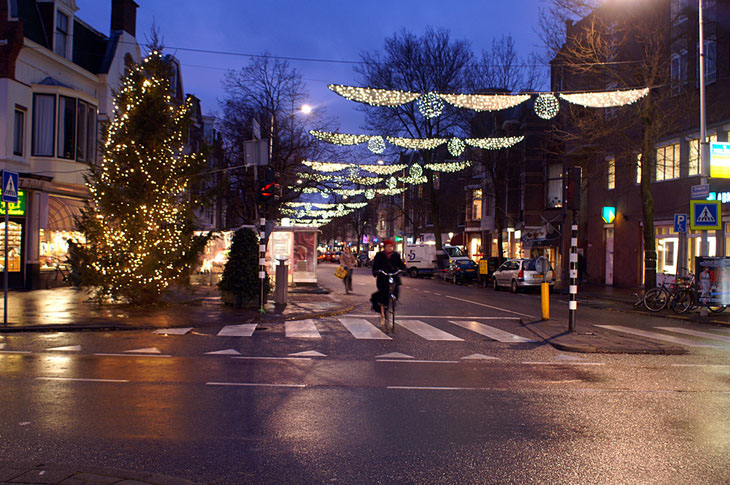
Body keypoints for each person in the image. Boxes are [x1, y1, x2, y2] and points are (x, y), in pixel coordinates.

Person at [370, 239, 406, 327]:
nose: (390, 248)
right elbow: (375, 266)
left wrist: (403, 270)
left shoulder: (396, 255)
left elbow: (401, 265)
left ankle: (394, 299)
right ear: (385, 247)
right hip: (383, 276)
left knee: (396, 288)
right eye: (388, 246)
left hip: (393, 275)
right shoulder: (379, 255)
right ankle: (382, 312)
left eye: (391, 246)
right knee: (383, 292)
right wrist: (376, 271)